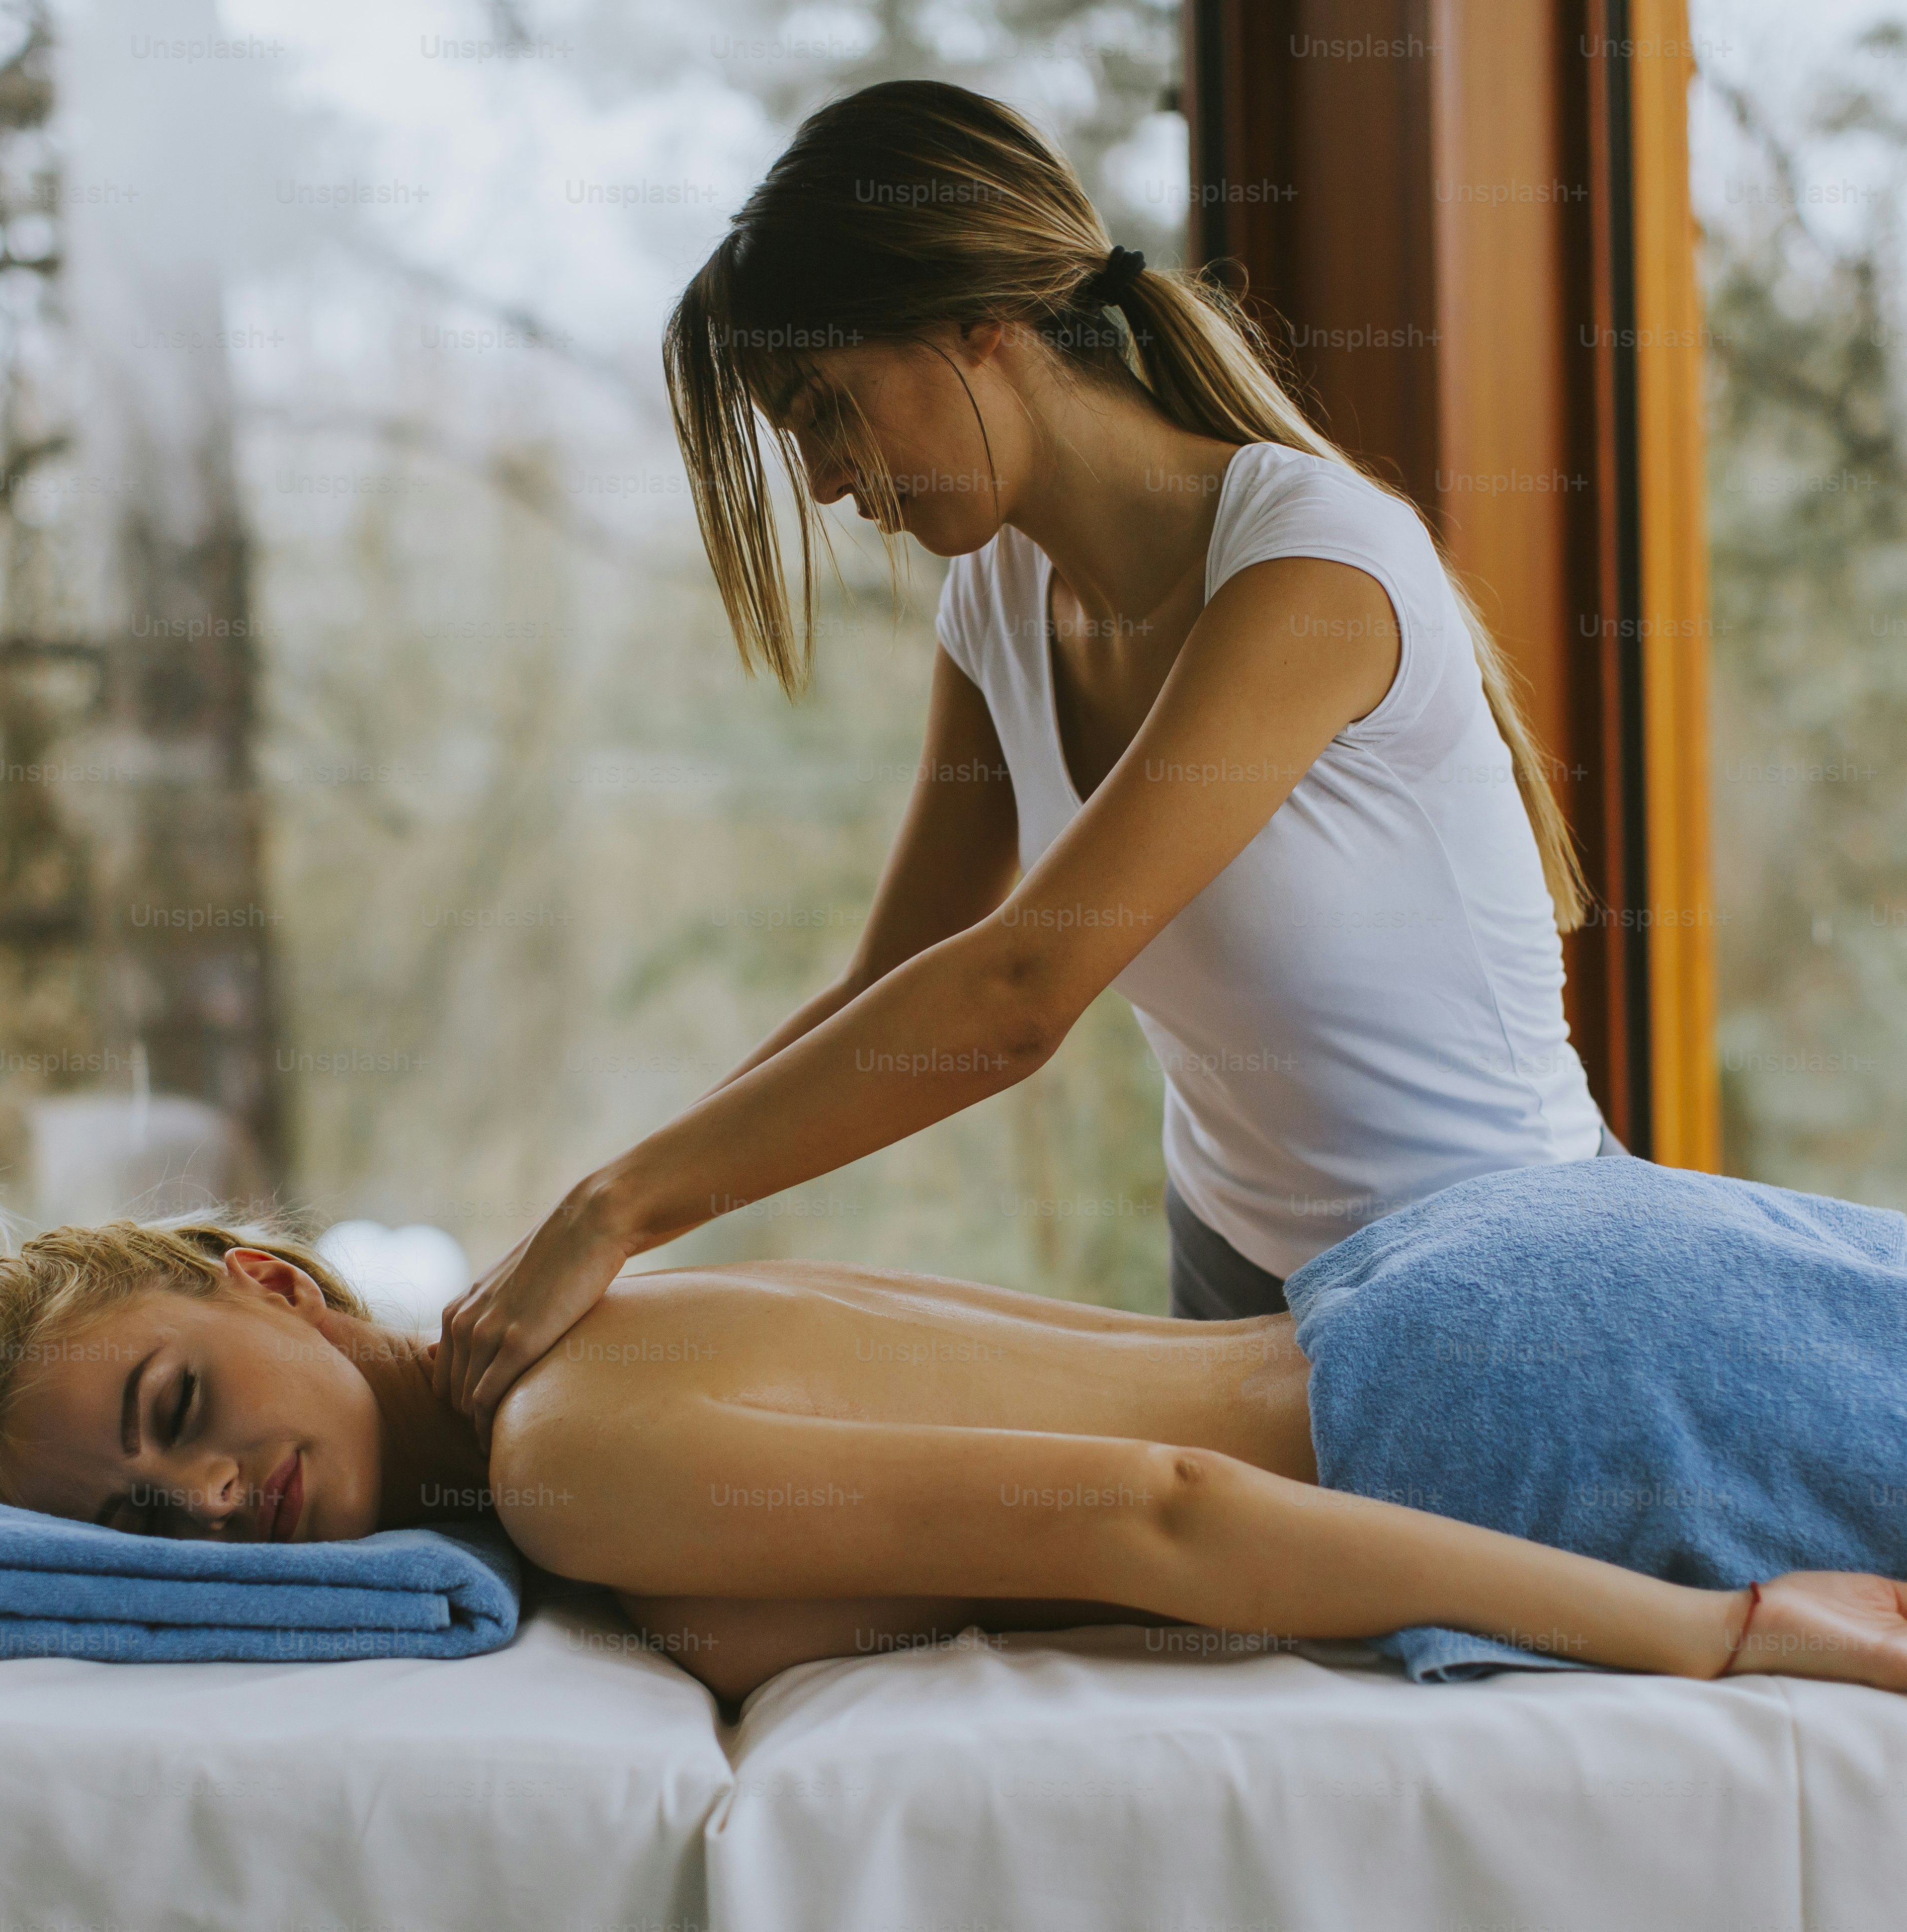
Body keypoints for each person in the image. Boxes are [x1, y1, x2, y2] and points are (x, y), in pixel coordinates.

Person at [440, 77, 1616, 1432]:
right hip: (1236, 1275)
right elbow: (895, 982)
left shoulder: (1315, 569)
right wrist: (608, 1220)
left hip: (1500, 1292)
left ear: (977, 322)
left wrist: (614, 1211)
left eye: (826, 406)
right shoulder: (996, 598)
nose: (823, 480)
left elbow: (1015, 998)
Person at [0, 1174, 1907, 1709]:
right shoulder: (594, 1349)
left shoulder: (580, 1452)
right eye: (139, 1519)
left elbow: (1166, 1513)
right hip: (1492, 1295)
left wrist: (1725, 1635)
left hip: (1522, 1407)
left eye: (178, 1410)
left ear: (273, 1284)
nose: (204, 1500)